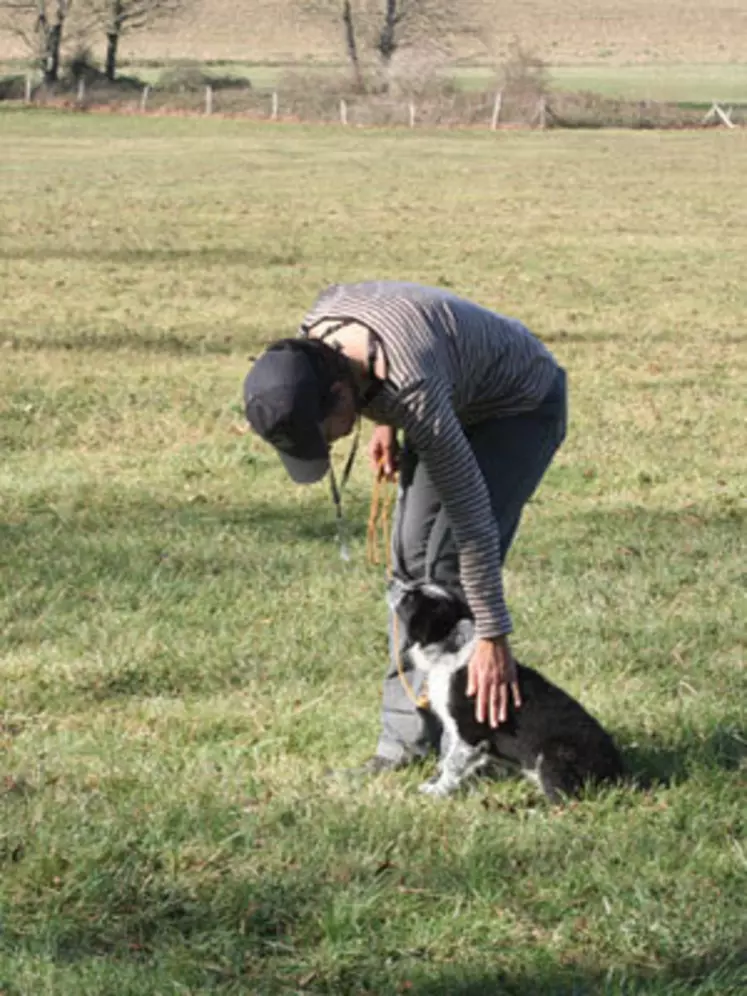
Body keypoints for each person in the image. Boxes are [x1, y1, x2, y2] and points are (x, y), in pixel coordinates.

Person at [243, 281, 567, 775]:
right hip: (443, 389)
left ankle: (474, 749)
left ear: (337, 393)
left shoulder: (412, 389)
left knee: (445, 565)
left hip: (518, 406)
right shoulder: (312, 342)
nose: (332, 445)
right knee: (410, 570)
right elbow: (372, 367)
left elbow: (475, 523)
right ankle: (404, 746)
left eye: (327, 434)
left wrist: (493, 634)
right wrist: (383, 420)